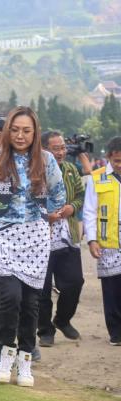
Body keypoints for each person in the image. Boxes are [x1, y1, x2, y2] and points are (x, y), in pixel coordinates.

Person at [0, 106, 65, 388]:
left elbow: (59, 196)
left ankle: (25, 360)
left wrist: (44, 211)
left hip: (34, 237)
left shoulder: (46, 160)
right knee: (8, 298)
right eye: (15, 130)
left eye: (26, 130)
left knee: (29, 304)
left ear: (35, 132)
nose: (20, 135)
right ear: (8, 132)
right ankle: (5, 353)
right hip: (1, 236)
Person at [37, 131, 85, 347]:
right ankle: (45, 330)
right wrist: (45, 216)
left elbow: (80, 196)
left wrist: (71, 207)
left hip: (67, 234)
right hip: (41, 239)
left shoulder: (70, 169)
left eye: (63, 147)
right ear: (44, 149)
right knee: (42, 288)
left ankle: (62, 320)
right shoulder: (35, 172)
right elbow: (27, 201)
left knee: (75, 282)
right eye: (56, 148)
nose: (61, 152)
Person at [83, 136, 121, 346]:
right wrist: (92, 240)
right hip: (108, 242)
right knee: (112, 289)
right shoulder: (97, 178)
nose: (120, 165)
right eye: (117, 161)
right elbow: (89, 211)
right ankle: (116, 332)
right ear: (109, 158)